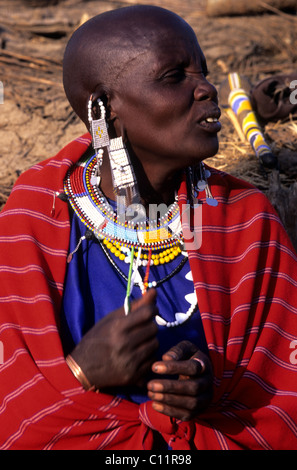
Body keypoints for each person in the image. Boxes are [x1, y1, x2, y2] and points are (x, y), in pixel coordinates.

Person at [0, 4, 297, 450]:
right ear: (104, 110)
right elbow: (12, 407)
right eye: (176, 76)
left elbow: (282, 387)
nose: (207, 88)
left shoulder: (243, 218)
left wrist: (209, 387)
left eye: (203, 70)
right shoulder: (34, 219)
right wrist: (83, 372)